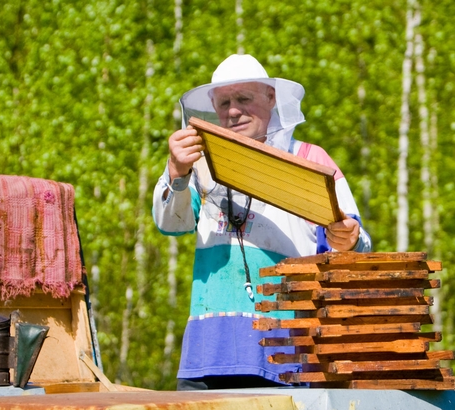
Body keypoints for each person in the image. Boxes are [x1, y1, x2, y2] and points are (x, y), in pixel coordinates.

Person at [152, 54, 372, 390]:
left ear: (271, 98)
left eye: (244, 99)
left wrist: (349, 237)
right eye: (224, 102)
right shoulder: (198, 163)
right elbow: (171, 222)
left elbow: (358, 243)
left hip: (289, 343)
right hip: (210, 350)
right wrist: (176, 172)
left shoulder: (309, 159)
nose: (233, 111)